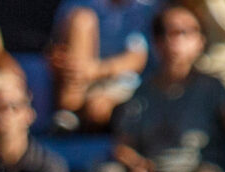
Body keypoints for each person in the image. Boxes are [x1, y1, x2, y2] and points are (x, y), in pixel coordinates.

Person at [104, 5, 225, 172]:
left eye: (183, 32)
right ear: (156, 42)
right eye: (165, 33)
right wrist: (137, 165)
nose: (173, 41)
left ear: (200, 41)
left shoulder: (212, 88)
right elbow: (123, 145)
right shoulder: (142, 93)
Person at [50, 0, 154, 131]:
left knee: (98, 108)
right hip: (81, 83)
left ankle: (75, 116)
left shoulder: (144, 9)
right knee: (81, 20)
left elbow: (136, 59)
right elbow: (55, 49)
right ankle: (70, 109)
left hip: (122, 83)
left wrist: (96, 70)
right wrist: (60, 59)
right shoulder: (76, 4)